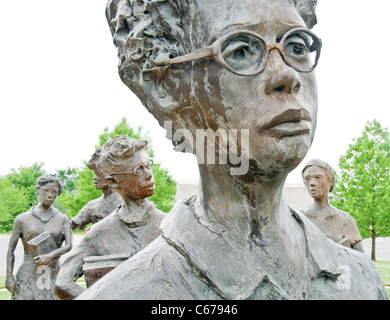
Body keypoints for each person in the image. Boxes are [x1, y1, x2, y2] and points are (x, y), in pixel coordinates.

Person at [78, 0, 387, 299]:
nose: (286, 76)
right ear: (165, 88)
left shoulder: (361, 280)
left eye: (296, 47)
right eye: (240, 50)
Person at [55, 136, 165, 300]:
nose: (149, 174)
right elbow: (62, 283)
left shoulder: (169, 225)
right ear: (113, 181)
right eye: (138, 169)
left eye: (149, 165)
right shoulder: (100, 233)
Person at [6, 174, 72, 300]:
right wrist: (9, 275)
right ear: (38, 191)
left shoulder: (62, 219)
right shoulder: (22, 219)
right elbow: (10, 250)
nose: (50, 195)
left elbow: (69, 245)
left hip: (53, 273)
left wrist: (50, 256)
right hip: (28, 273)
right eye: (46, 191)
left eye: (54, 192)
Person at [301, 159, 364, 252]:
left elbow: (361, 260)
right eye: (307, 179)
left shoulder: (345, 220)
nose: (312, 183)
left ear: (330, 181)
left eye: (317, 177)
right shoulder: (301, 219)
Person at [70, 148, 122, 231]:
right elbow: (71, 225)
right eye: (94, 174)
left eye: (97, 174)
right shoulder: (92, 206)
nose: (94, 178)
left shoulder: (125, 201)